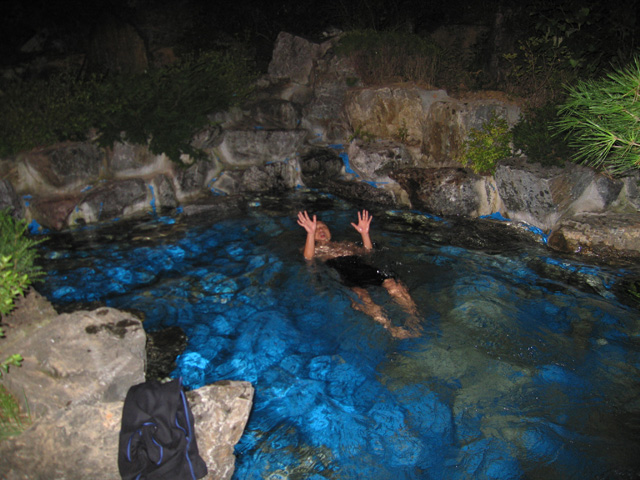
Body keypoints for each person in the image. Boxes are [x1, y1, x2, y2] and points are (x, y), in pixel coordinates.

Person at [297, 209, 421, 339]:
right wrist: (310, 233)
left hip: (363, 268)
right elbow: (308, 257)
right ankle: (391, 328)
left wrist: (365, 234)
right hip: (345, 273)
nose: (321, 230)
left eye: (323, 227)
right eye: (316, 229)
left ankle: (414, 318)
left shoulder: (345, 244)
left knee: (392, 284)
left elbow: (367, 253)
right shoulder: (315, 249)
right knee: (362, 295)